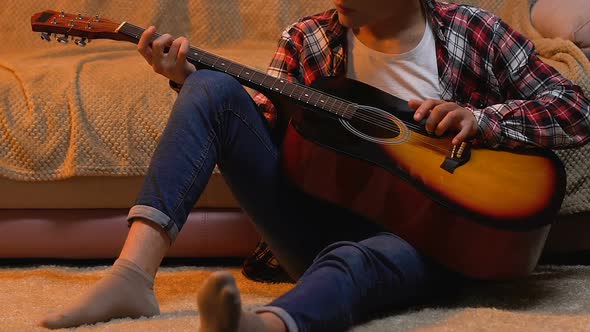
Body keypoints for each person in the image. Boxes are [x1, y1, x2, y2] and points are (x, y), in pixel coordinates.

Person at [41, 0, 590, 331]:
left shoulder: (472, 31)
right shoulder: (309, 40)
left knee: (360, 261)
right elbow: (256, 126)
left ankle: (269, 325)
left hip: (433, 236)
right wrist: (186, 82)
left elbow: (575, 106)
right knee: (210, 86)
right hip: (315, 222)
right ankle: (132, 275)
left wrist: (482, 120)